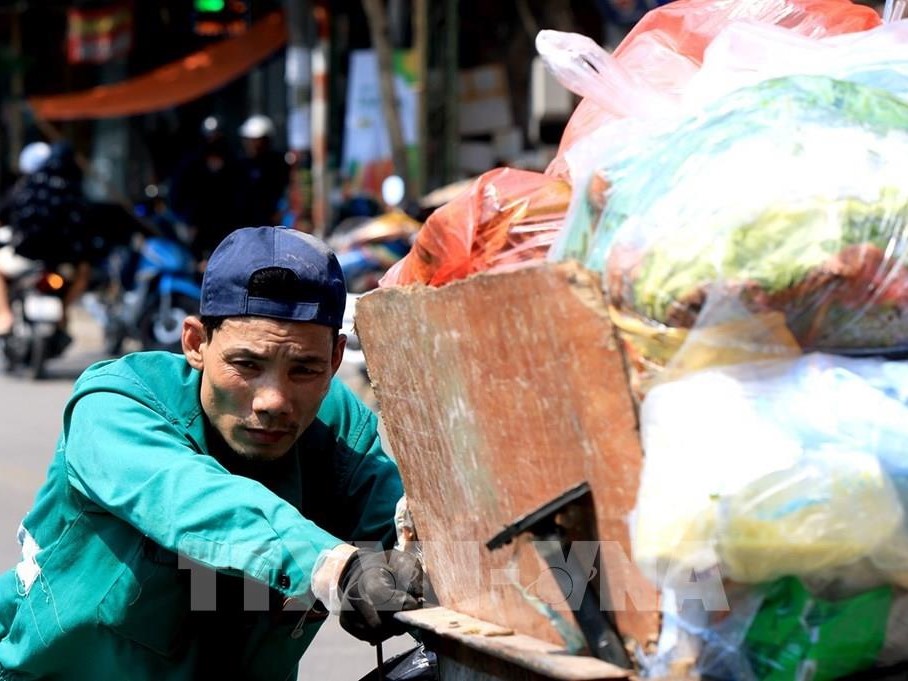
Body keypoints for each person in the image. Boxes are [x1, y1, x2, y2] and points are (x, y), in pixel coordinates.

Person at [0, 226, 424, 679]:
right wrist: (334, 567)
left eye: (304, 369)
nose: (273, 400)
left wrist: (410, 575)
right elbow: (188, 497)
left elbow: (413, 540)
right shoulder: (116, 404)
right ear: (195, 343)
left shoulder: (339, 434)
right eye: (246, 365)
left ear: (336, 359)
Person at [168, 115, 243, 262]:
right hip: (199, 230)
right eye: (210, 137)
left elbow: (241, 196)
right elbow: (177, 195)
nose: (213, 140)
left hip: (227, 228)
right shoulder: (191, 165)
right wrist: (188, 222)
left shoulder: (233, 164)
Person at [236, 114, 291, 227]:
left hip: (272, 224)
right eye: (249, 140)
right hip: (245, 224)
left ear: (267, 141)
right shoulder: (240, 165)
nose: (252, 145)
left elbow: (286, 191)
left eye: (256, 140)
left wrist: (281, 211)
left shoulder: (278, 163)